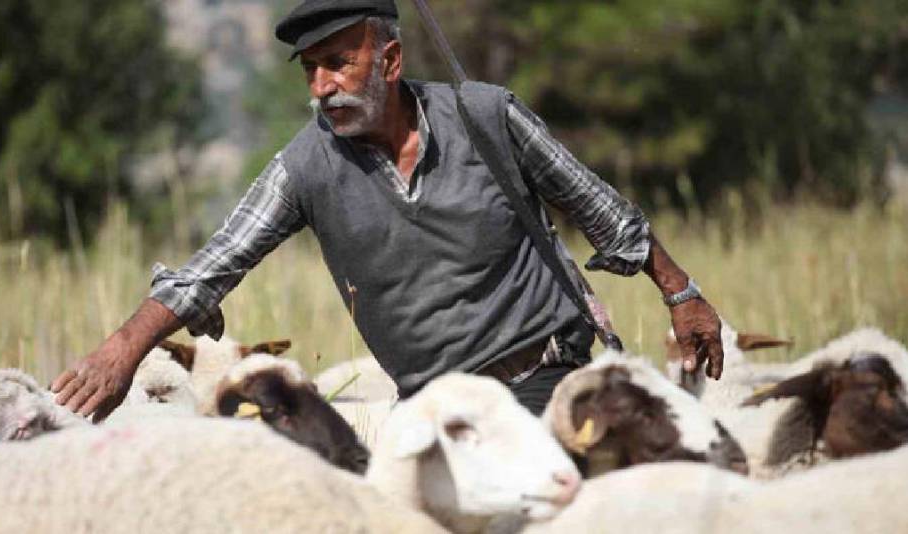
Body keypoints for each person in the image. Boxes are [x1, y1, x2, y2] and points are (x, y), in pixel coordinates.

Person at [52, 0, 725, 420]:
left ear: (392, 59)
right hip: (435, 411)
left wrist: (682, 292)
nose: (322, 87)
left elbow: (599, 207)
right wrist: (121, 353)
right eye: (309, 70)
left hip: (551, 378)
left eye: (338, 64)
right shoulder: (304, 168)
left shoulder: (485, 116)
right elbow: (212, 267)